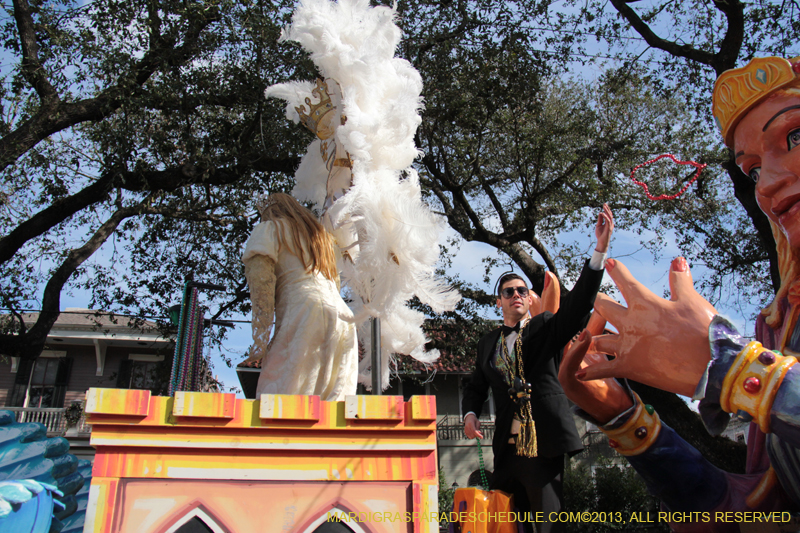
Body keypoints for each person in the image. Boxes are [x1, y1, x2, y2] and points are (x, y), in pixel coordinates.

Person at [558, 56, 800, 531]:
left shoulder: (760, 347)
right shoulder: (778, 325)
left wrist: (730, 366)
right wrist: (627, 419)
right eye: (750, 171)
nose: (766, 185)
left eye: (794, 137)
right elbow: (753, 508)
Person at [461, 204, 614, 533]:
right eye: (508, 291)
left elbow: (576, 308)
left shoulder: (544, 328)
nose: (516, 294)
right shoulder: (487, 343)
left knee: (547, 524)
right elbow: (475, 386)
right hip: (506, 447)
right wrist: (469, 414)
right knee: (509, 524)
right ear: (498, 302)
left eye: (522, 291)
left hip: (542, 443)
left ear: (530, 300)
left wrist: (598, 251)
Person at [242, 192, 358, 401]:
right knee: (333, 405)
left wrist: (262, 335)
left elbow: (260, 280)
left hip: (303, 310)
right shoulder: (322, 238)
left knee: (281, 397)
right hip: (342, 317)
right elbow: (335, 282)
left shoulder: (270, 228)